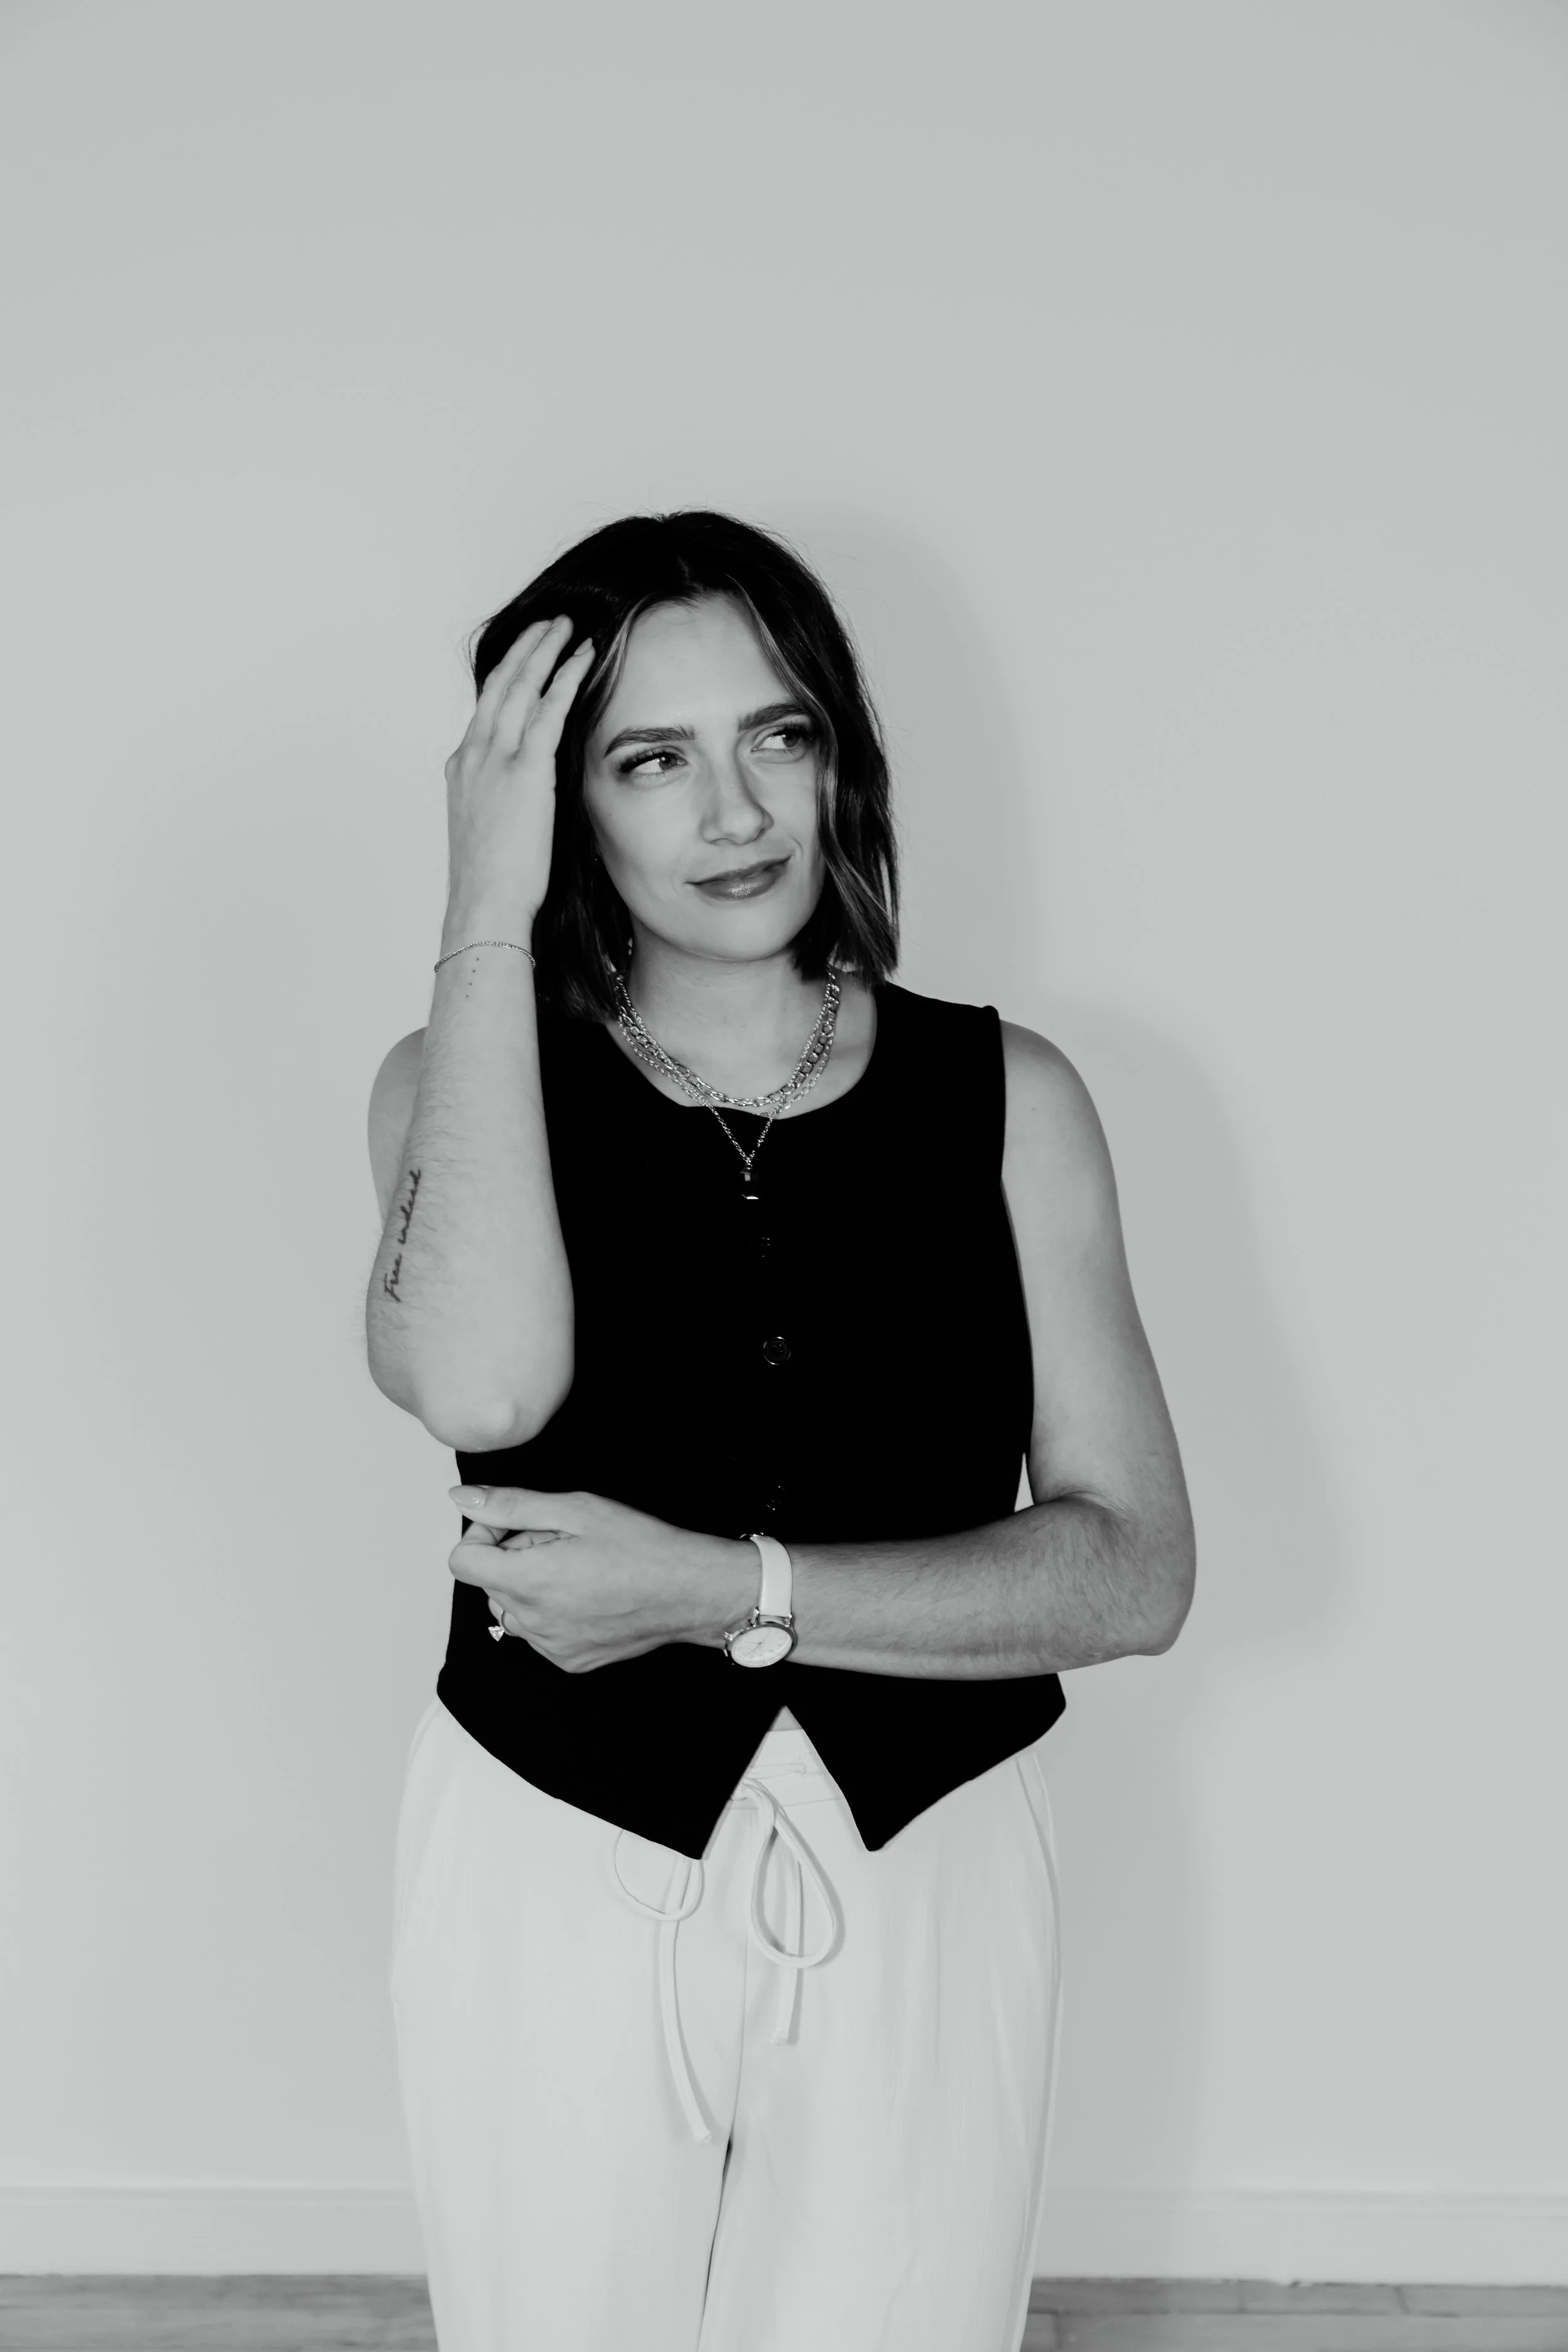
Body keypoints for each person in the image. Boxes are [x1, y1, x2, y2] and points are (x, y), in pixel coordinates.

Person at [363, 511, 1194, 2352]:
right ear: (561, 805)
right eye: (650, 760)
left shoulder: (1011, 1096)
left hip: (928, 1850)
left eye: (779, 734)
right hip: (549, 1838)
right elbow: (485, 1388)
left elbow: (1132, 1569)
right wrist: (477, 917)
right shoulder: (457, 1083)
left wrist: (720, 1586)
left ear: (840, 755)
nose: (733, 813)